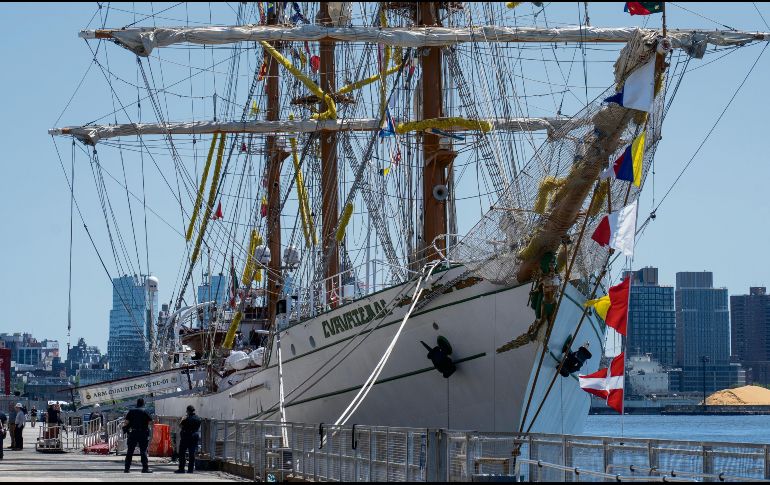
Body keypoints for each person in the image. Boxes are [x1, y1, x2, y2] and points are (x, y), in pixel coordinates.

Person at [123, 398, 154, 474]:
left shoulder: (131, 411)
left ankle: (127, 468)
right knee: (143, 451)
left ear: (137, 403)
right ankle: (145, 468)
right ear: (143, 403)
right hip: (143, 433)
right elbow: (151, 422)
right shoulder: (145, 411)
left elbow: (126, 422)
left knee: (130, 451)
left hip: (133, 432)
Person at [175, 405, 202, 474]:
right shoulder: (198, 418)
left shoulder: (186, 418)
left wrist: (182, 419)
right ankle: (190, 470)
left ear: (188, 411)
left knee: (182, 452)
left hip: (186, 436)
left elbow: (180, 426)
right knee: (192, 453)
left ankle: (181, 469)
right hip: (195, 436)